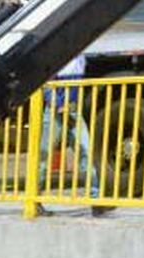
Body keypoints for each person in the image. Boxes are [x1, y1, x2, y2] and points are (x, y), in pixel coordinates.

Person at [38, 54, 113, 216]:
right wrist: (57, 104)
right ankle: (34, 200)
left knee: (86, 151)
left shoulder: (81, 57)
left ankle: (96, 200)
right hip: (54, 113)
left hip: (73, 111)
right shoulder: (57, 55)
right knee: (44, 156)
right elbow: (46, 83)